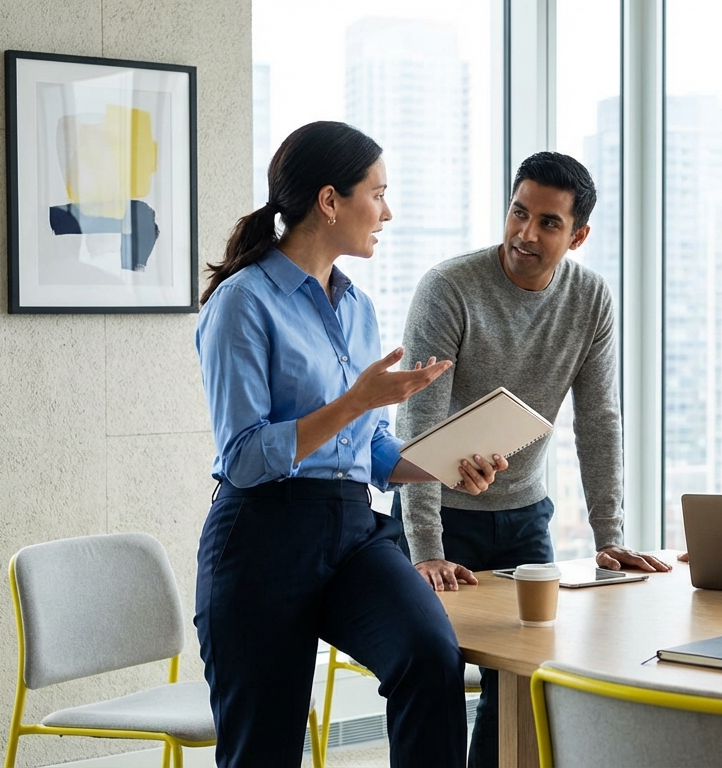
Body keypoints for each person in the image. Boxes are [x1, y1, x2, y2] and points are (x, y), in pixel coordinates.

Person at [193, 121, 508, 768]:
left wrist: (447, 465)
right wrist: (357, 400)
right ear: (330, 201)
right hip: (261, 539)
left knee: (429, 659)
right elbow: (246, 457)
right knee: (265, 749)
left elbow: (372, 452)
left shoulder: (356, 306)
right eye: (378, 193)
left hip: (353, 530)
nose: (387, 212)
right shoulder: (242, 303)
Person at [392, 151, 671, 768]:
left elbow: (599, 420)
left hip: (523, 516)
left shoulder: (591, 299)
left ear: (578, 235)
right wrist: (426, 547)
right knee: (434, 671)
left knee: (530, 675)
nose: (526, 233)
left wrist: (610, 537)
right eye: (520, 213)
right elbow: (419, 421)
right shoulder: (450, 287)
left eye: (548, 222)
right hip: (441, 515)